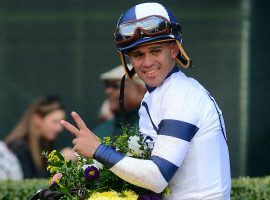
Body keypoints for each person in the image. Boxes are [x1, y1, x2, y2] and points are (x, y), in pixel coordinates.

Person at [60, 2, 231, 199]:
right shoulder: (158, 93)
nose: (147, 62)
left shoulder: (181, 94)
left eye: (156, 51)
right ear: (129, 60)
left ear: (174, 50)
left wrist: (99, 151)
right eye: (138, 55)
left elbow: (157, 177)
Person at [4, 95, 66, 178]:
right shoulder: (19, 147)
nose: (59, 128)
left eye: (61, 123)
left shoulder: (46, 143)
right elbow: (28, 185)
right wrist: (60, 161)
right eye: (54, 122)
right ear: (37, 118)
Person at [93, 64, 146, 138]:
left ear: (141, 89)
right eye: (107, 86)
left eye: (115, 86)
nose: (108, 91)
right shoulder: (101, 130)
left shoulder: (153, 126)